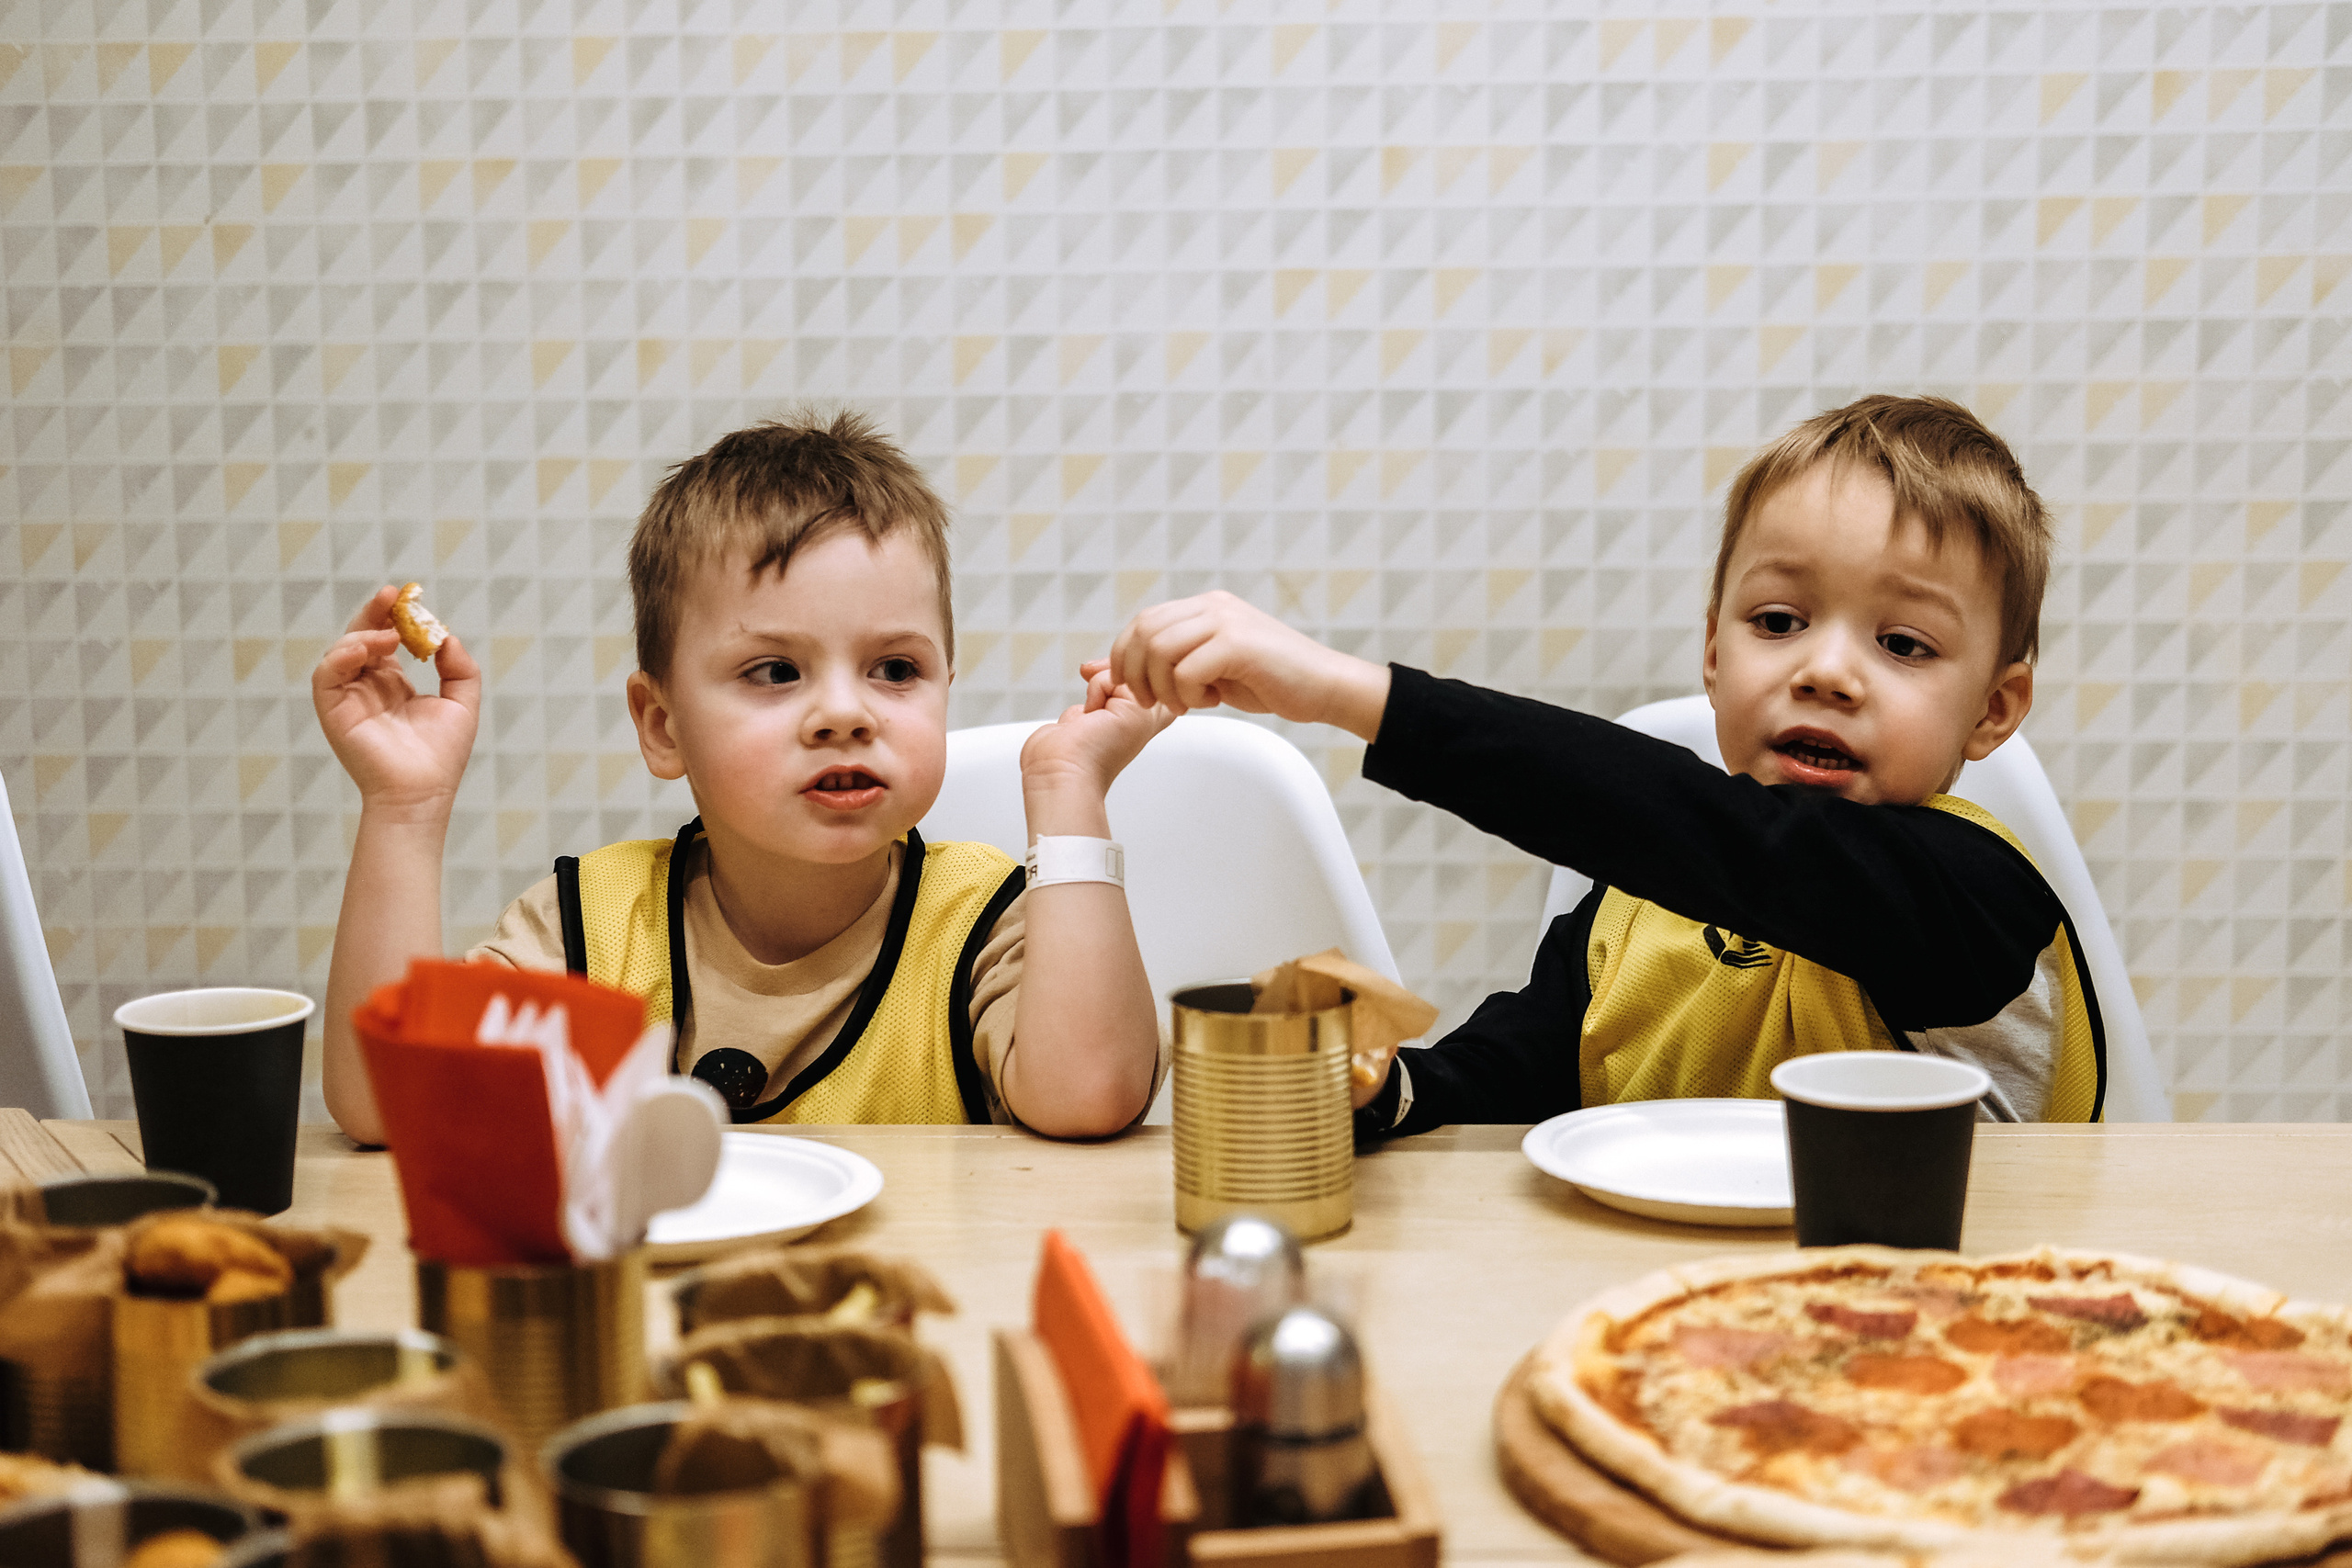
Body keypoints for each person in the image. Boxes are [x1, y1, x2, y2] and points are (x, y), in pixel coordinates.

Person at [1102, 395, 2107, 1133]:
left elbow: (1724, 839)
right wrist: (1386, 1087)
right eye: (1778, 622)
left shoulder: (1979, 903)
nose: (1826, 671)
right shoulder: (1638, 908)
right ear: (1714, 656)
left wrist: (1344, 692)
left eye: (1903, 645)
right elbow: (1523, 1071)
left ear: (1994, 709)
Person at [314, 412, 1167, 1144]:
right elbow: (392, 1108)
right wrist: (404, 808)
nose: (845, 713)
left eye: (896, 669)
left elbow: (1089, 1095)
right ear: (661, 723)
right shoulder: (593, 932)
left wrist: (1069, 790)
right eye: (773, 672)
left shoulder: (986, 924)